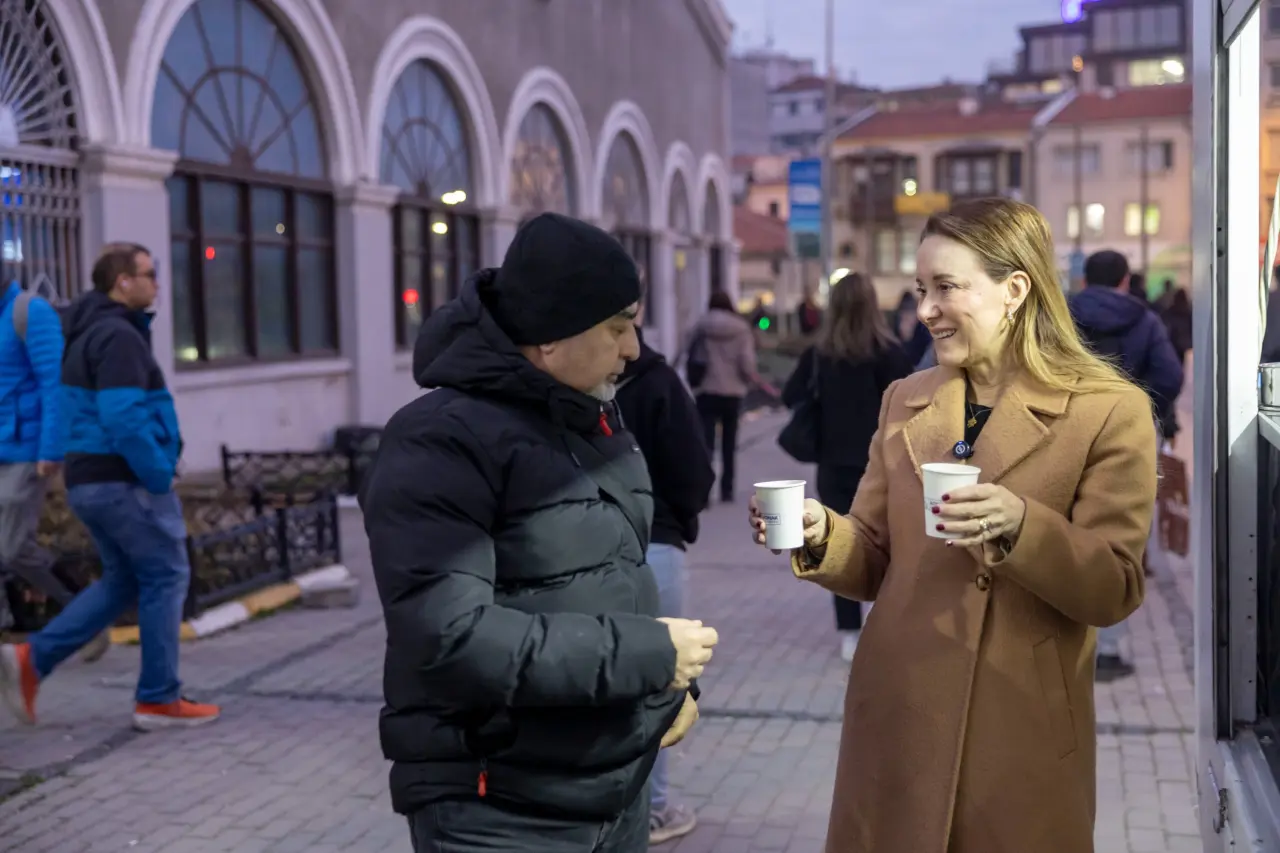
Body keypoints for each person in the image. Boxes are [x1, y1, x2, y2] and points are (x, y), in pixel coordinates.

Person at [750, 198, 1157, 852]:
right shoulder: (904, 400)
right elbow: (875, 556)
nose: (925, 309)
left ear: (1014, 289)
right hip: (899, 713)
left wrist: (1020, 525)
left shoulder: (1109, 410)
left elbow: (1114, 585)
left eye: (946, 287)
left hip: (1018, 726)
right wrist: (822, 532)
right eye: (920, 290)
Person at [362, 213, 720, 853]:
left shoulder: (590, 420)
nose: (633, 349)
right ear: (551, 338)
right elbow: (451, 637)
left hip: (613, 792)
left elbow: (609, 585)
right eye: (617, 328)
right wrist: (650, 656)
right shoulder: (440, 441)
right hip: (501, 810)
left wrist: (664, 694)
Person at [0, 243, 218, 731]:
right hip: (124, 480)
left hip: (90, 481)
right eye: (149, 274)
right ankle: (158, 698)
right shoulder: (118, 336)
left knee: (123, 580)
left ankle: (31, 661)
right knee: (166, 575)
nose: (156, 283)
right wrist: (158, 473)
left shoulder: (86, 331)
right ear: (123, 282)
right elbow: (123, 417)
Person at [615, 291, 715, 845]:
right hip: (657, 545)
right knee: (655, 684)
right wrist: (677, 517)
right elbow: (693, 473)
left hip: (638, 544)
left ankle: (629, 808)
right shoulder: (658, 383)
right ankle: (650, 808)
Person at [781, 273, 911, 662]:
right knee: (887, 542)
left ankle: (849, 633)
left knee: (839, 543)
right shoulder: (890, 353)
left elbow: (790, 395)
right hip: (882, 466)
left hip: (833, 464)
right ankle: (884, 621)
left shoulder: (819, 355)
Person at [1070, 250, 1184, 681]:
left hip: (1069, 426)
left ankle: (1067, 632)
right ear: (1123, 280)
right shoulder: (1145, 319)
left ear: (1084, 280)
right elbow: (1170, 376)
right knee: (1120, 533)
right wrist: (1140, 407)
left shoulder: (1062, 314)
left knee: (1064, 520)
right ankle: (1110, 648)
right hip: (1128, 433)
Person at [0, 281, 109, 662]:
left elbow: (54, 384)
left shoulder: (29, 312)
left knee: (13, 547)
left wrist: (51, 448)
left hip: (26, 450)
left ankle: (87, 613)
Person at [688, 291, 772, 503]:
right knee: (729, 443)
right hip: (732, 393)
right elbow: (746, 363)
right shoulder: (741, 329)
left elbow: (690, 355)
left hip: (706, 391)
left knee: (706, 443)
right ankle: (727, 489)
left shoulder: (701, 326)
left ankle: (705, 491)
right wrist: (752, 380)